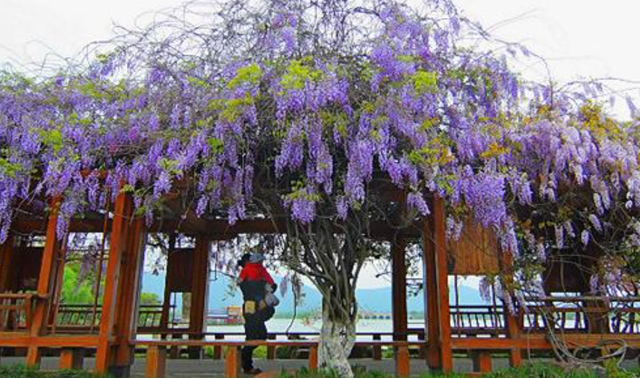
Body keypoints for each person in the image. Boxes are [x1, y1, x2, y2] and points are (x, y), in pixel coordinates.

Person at [236, 252, 277, 375]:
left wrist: (270, 286)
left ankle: (244, 359)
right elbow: (253, 287)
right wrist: (267, 286)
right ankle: (246, 364)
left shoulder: (257, 278)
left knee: (259, 336)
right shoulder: (247, 282)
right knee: (254, 338)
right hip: (251, 309)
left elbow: (269, 284)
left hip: (255, 310)